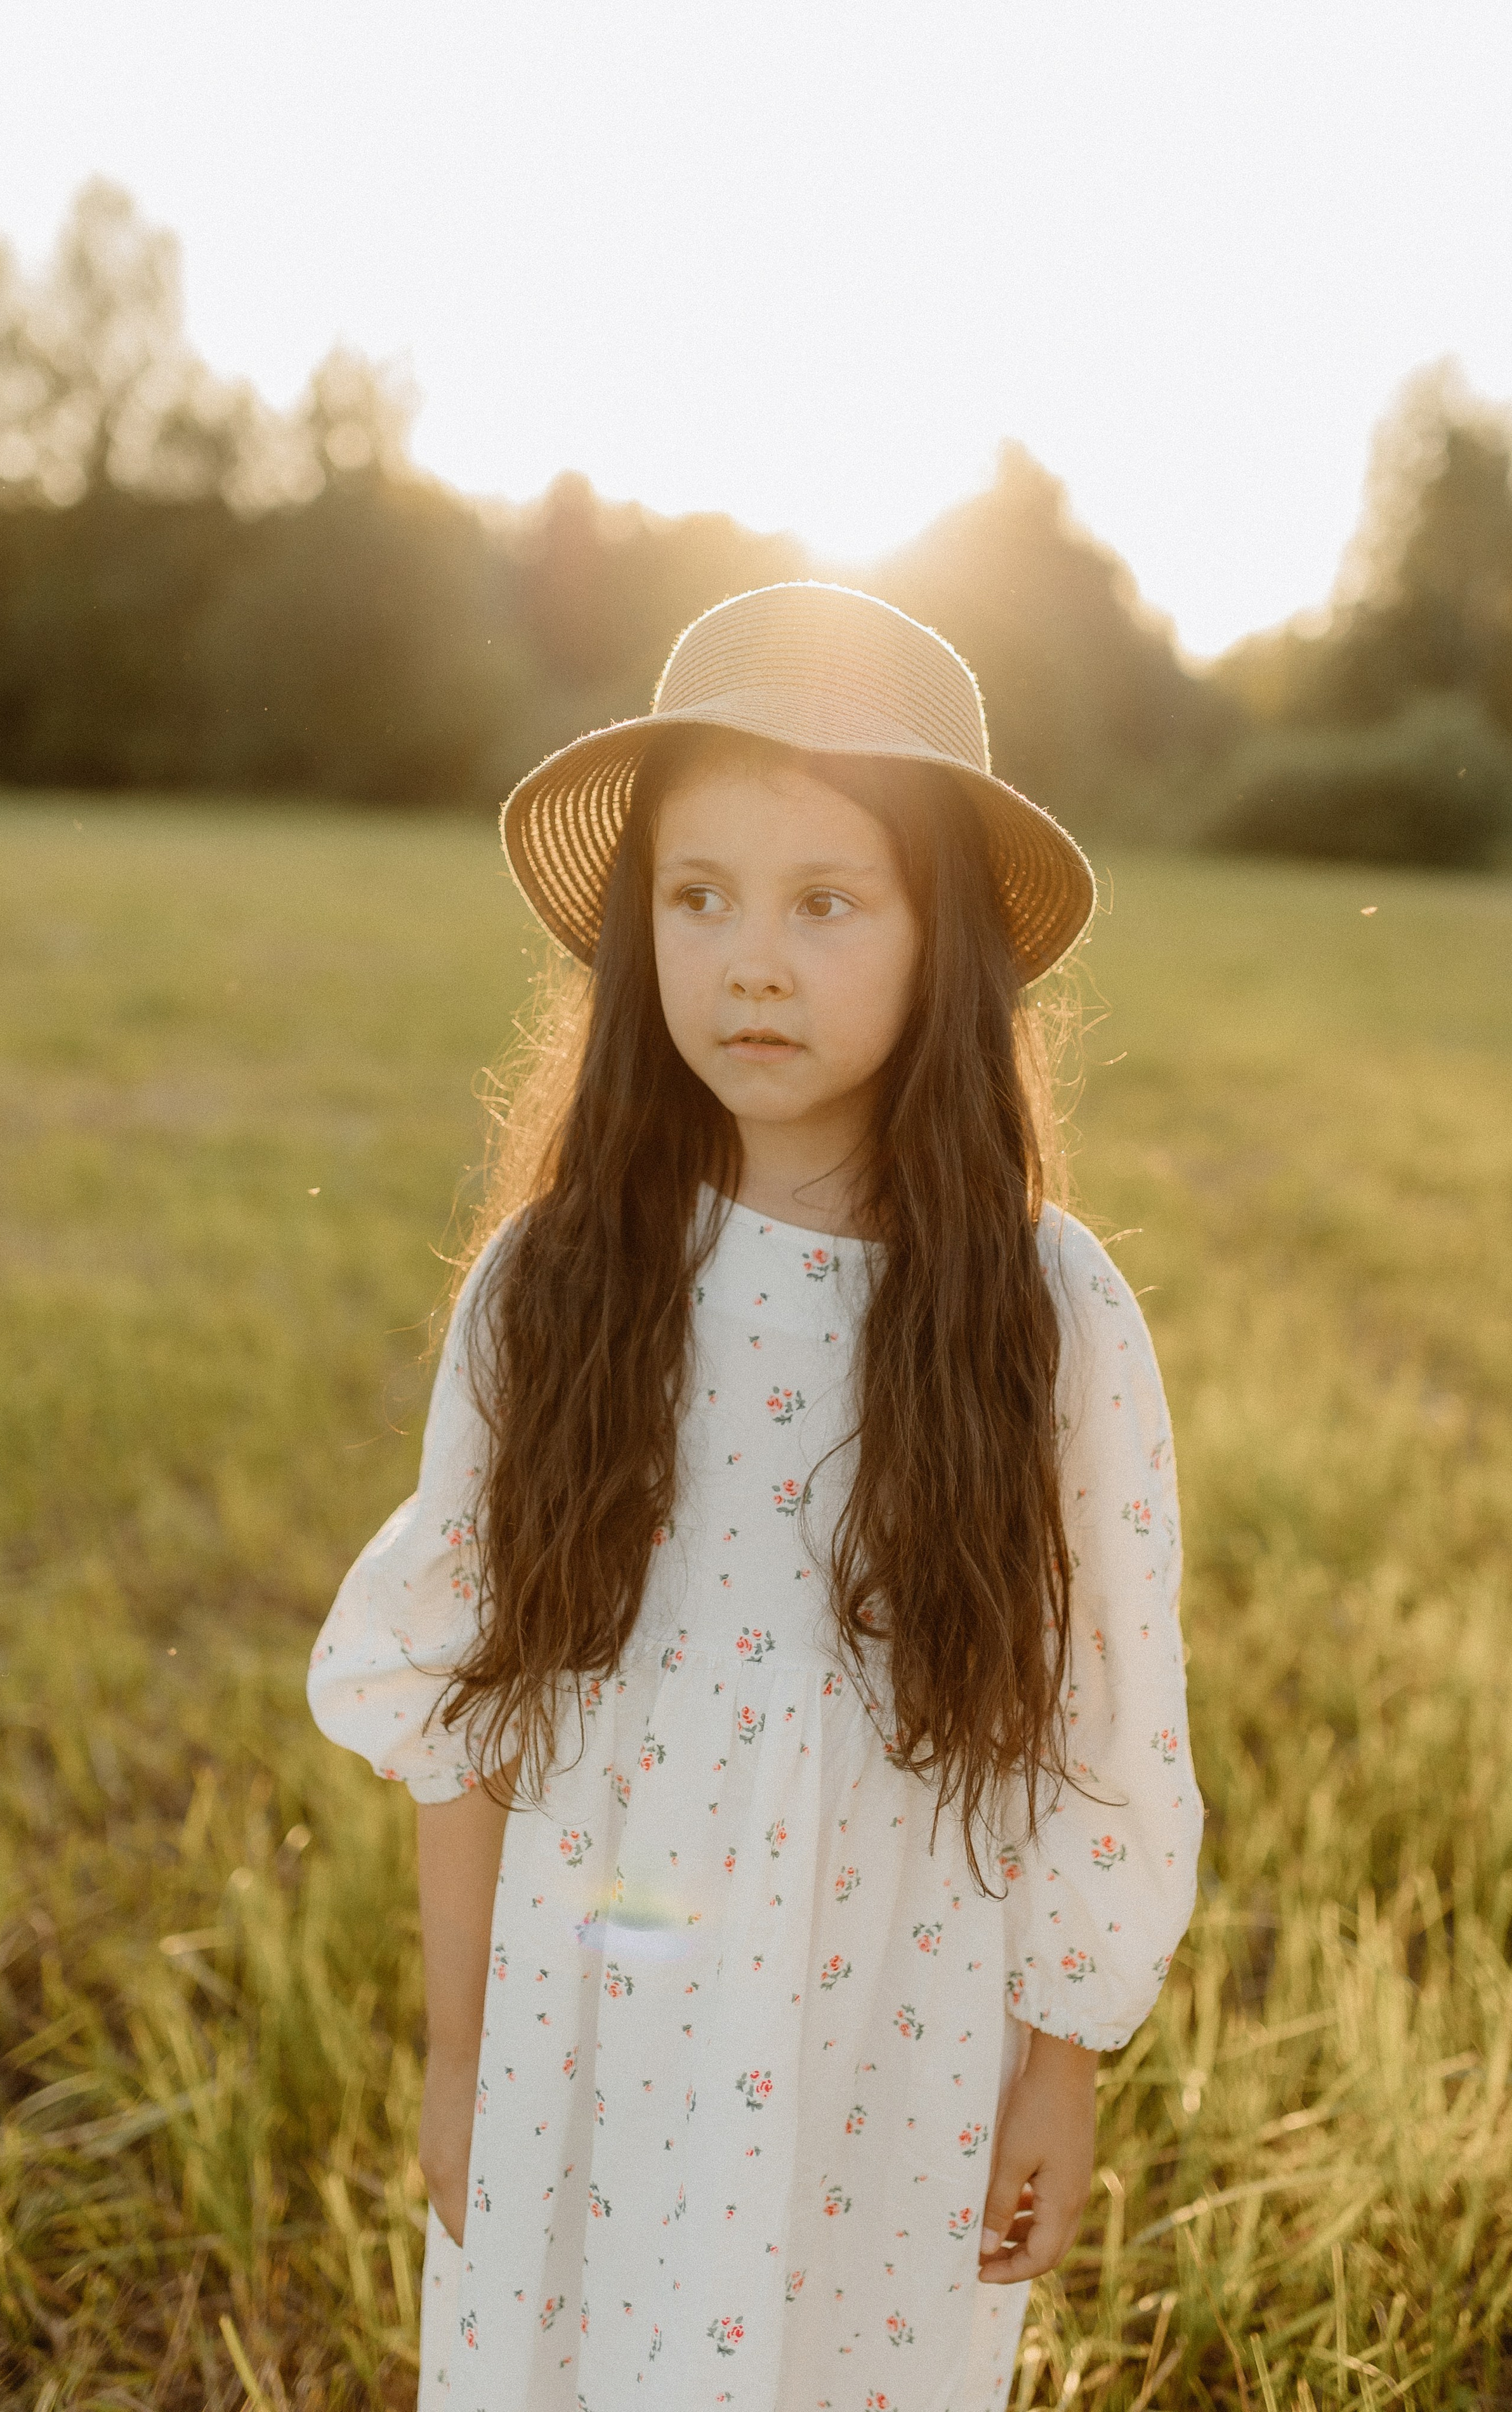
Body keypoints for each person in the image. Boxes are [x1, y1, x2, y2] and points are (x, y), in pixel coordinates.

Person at [308, 583, 1203, 2412]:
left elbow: (1104, 1719)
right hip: (590, 2022)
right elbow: (468, 1707)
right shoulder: (554, 1281)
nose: (754, 963)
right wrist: (462, 2053)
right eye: (697, 898)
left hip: (889, 2024)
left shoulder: (1046, 1311)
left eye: (826, 901)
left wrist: (1062, 2059)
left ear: (939, 935)